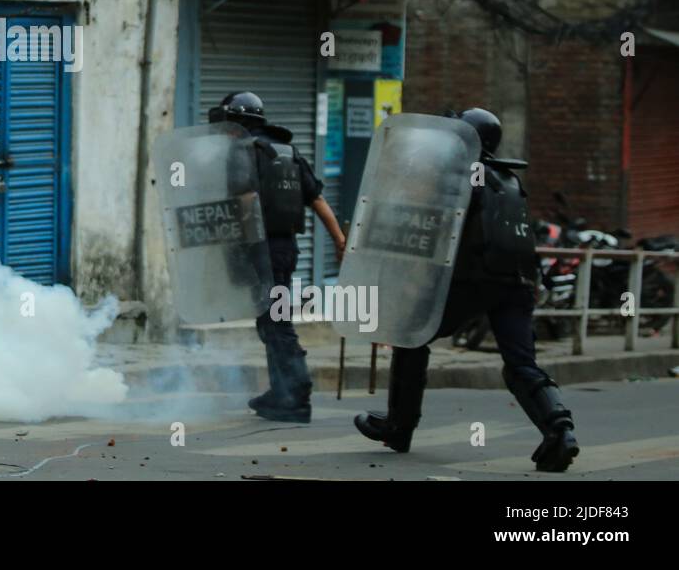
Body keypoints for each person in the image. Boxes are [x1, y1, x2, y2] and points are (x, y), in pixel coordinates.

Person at [354, 107, 580, 472]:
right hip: (518, 284)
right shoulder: (508, 180)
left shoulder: (458, 175)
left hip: (475, 280)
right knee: (521, 364)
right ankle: (560, 429)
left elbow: (432, 229)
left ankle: (399, 428)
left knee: (412, 337)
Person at [209, 91, 346, 423]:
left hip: (261, 250)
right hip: (286, 249)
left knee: (276, 321)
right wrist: (341, 243)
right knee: (271, 319)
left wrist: (231, 244)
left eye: (227, 125)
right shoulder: (289, 152)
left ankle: (296, 393)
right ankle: (281, 391)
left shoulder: (242, 152)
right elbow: (318, 202)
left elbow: (245, 200)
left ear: (237, 124)